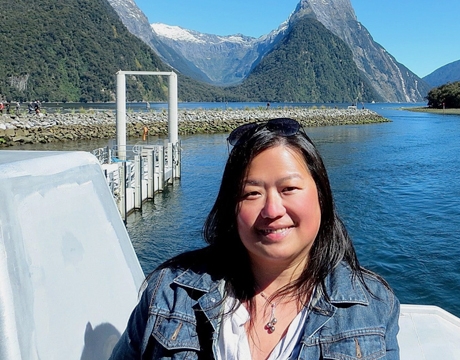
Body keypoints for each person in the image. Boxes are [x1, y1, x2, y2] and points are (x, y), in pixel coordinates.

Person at [109, 118, 400, 359]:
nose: (272, 210)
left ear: (321, 194)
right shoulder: (169, 294)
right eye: (252, 193)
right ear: (230, 207)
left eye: (289, 188)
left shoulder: (372, 305)